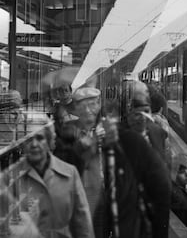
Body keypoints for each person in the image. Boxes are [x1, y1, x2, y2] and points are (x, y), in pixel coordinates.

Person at [55, 87, 171, 238]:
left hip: (107, 198)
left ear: (99, 105)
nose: (88, 110)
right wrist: (82, 147)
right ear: (76, 108)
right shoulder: (66, 131)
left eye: (93, 105)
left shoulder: (113, 129)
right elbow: (59, 164)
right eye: (83, 106)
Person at [6, 120, 94, 238]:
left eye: (40, 138)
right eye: (28, 139)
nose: (34, 144)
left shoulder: (69, 173)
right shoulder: (11, 178)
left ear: (48, 141)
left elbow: (82, 222)